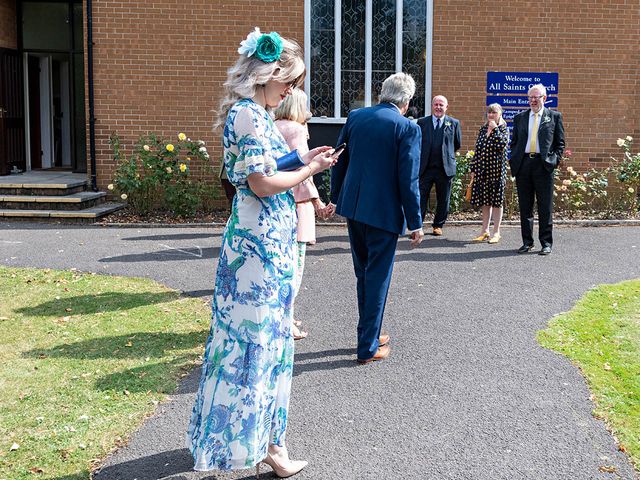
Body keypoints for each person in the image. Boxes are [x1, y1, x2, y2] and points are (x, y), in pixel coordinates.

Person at [185, 28, 334, 478]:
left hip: (265, 244)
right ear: (266, 73)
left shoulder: (257, 114)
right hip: (256, 251)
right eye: (288, 80)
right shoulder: (249, 115)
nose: (292, 90)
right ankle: (260, 447)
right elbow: (260, 184)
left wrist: (303, 161)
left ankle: (264, 443)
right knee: (256, 345)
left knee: (266, 344)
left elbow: (268, 170)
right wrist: (309, 167)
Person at [325, 73, 424, 364]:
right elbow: (409, 179)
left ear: (382, 93)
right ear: (405, 101)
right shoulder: (407, 128)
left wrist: (335, 196)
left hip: (354, 208)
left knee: (364, 274)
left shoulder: (356, 117)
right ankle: (367, 346)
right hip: (384, 213)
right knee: (377, 278)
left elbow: (337, 159)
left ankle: (371, 332)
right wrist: (416, 222)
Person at [274, 88, 326, 341]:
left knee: (283, 264)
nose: (309, 112)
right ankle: (286, 321)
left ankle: (284, 315)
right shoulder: (295, 129)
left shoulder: (273, 125)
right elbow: (303, 170)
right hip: (298, 204)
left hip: (278, 203)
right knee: (295, 266)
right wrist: (317, 202)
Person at [509, 84, 565, 255]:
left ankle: (546, 243)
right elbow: (515, 142)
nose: (533, 100)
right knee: (525, 207)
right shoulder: (520, 117)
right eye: (530, 97)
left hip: (544, 166)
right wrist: (514, 160)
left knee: (545, 207)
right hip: (524, 165)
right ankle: (527, 242)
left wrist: (553, 161)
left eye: (537, 97)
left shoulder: (554, 117)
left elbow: (560, 143)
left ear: (544, 98)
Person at [417, 95, 462, 236]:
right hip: (425, 168)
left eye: (441, 105)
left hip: (445, 168)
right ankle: (418, 226)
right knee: (421, 198)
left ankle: (438, 225)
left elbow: (457, 143)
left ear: (446, 107)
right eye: (436, 104)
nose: (438, 107)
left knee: (443, 198)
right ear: (432, 106)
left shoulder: (453, 123)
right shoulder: (422, 123)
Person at [469, 103, 510, 244]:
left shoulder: (504, 129)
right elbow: (478, 150)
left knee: (496, 202)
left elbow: (501, 145)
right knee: (485, 202)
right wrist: (473, 168)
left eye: (494, 113)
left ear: (500, 114)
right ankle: (484, 231)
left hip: (497, 172)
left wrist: (495, 129)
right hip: (482, 171)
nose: (491, 115)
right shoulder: (482, 129)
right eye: (489, 113)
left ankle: (496, 232)